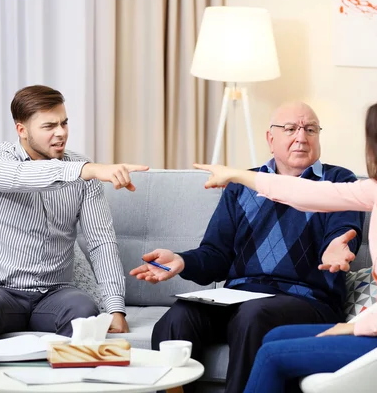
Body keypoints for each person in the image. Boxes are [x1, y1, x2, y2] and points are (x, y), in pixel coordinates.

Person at [194, 95, 377, 393]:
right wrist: (240, 176)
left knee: (272, 354)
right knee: (273, 338)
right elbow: (312, 193)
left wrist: (352, 326)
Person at [129, 101, 365, 393]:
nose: (301, 137)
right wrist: (181, 260)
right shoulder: (242, 184)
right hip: (239, 296)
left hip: (307, 300)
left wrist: (339, 245)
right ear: (270, 139)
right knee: (177, 318)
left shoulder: (338, 180)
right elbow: (216, 254)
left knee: (254, 316)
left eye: (310, 129)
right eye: (290, 129)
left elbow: (344, 230)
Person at [0, 85, 149, 346]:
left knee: (84, 312)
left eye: (64, 123)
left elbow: (101, 243)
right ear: (22, 130)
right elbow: (22, 177)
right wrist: (86, 170)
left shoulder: (83, 171)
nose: (61, 133)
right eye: (49, 126)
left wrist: (116, 308)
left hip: (55, 294)